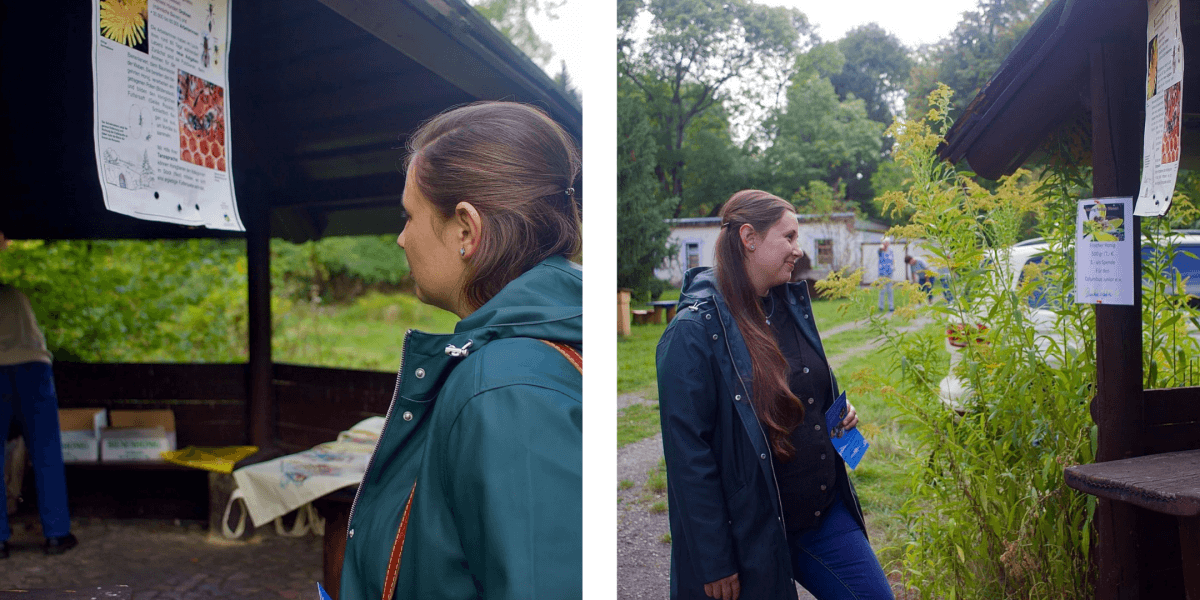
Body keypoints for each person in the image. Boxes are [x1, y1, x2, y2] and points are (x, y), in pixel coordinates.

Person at [337, 102, 582, 599]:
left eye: (409, 216)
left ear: (466, 230)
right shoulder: (520, 359)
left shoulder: (505, 387)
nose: (401, 238)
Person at [657, 190, 893, 600]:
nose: (798, 252)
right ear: (749, 237)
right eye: (788, 237)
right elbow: (687, 457)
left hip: (821, 514)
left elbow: (807, 382)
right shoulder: (692, 332)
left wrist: (835, 413)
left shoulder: (789, 305)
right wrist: (714, 560)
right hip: (753, 529)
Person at [0, 233, 78, 558]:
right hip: (33, 369)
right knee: (46, 451)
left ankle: (1, 541)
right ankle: (56, 535)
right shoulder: (15, 295)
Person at [877, 238, 894, 313]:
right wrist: (882, 246)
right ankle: (881, 306)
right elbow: (880, 249)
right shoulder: (880, 251)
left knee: (890, 290)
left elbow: (892, 261)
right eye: (885, 242)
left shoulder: (891, 251)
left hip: (889, 273)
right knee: (882, 290)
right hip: (882, 273)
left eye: (888, 242)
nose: (887, 244)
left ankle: (891, 306)